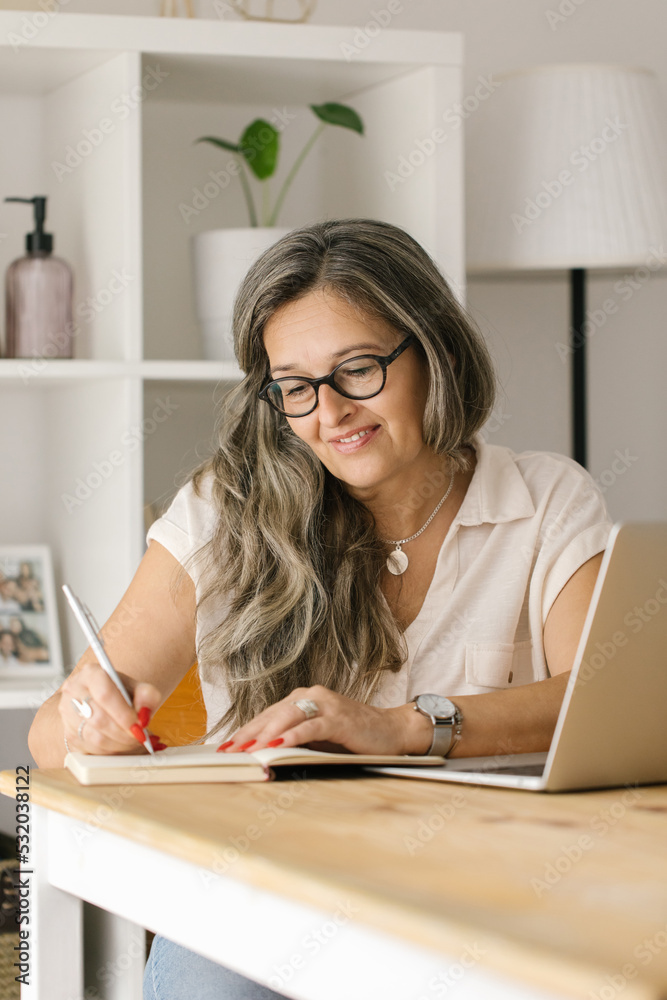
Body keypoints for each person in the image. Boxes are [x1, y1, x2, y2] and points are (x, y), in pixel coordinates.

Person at [28, 219, 612, 1000]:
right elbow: (46, 736)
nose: (328, 413)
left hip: (490, 889)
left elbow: (599, 703)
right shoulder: (222, 513)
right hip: (266, 893)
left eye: (357, 369)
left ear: (431, 349)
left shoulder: (544, 502)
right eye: (295, 388)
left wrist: (406, 727)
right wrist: (92, 722)